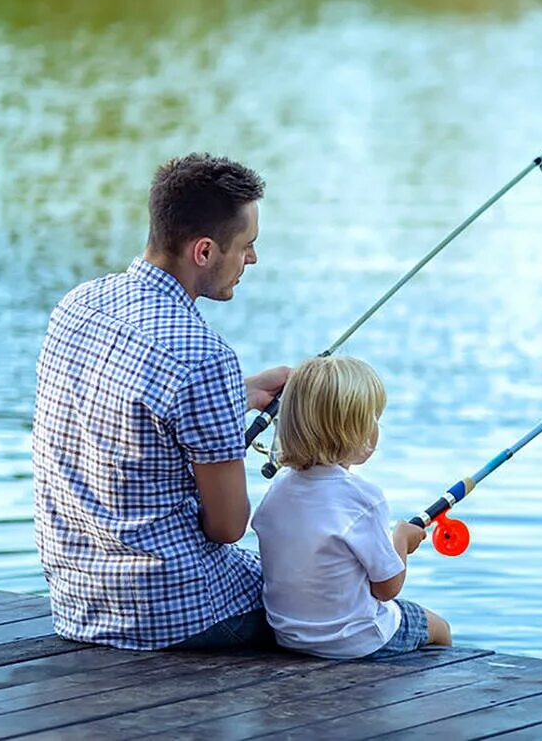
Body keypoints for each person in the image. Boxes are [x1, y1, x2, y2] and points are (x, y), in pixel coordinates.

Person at [32, 153, 289, 650]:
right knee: (345, 601)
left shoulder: (77, 305)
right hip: (174, 613)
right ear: (205, 251)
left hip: (77, 603)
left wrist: (242, 393)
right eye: (247, 246)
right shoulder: (203, 356)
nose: (252, 260)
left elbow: (127, 412)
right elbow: (228, 526)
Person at [251, 355, 451, 659]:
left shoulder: (279, 488)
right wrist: (402, 539)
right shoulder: (363, 498)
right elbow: (387, 589)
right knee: (439, 628)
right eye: (373, 419)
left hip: (288, 635)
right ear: (354, 432)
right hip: (356, 640)